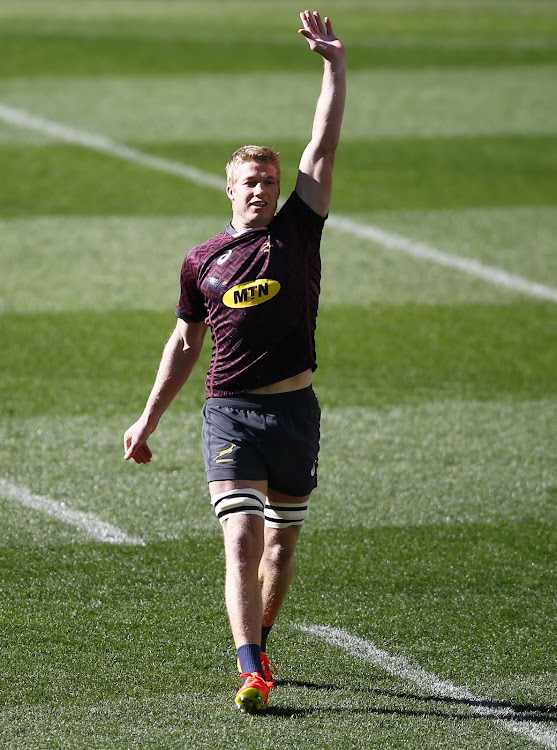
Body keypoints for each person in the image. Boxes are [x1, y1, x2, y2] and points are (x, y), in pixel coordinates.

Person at [123, 9, 346, 714]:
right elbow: (185, 342)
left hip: (295, 412)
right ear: (229, 187)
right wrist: (147, 419)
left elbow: (322, 145)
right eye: (249, 180)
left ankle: (263, 638)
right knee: (242, 540)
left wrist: (333, 67)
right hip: (231, 414)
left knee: (281, 552)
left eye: (269, 179)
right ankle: (251, 668)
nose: (261, 188)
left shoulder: (299, 233)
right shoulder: (202, 261)